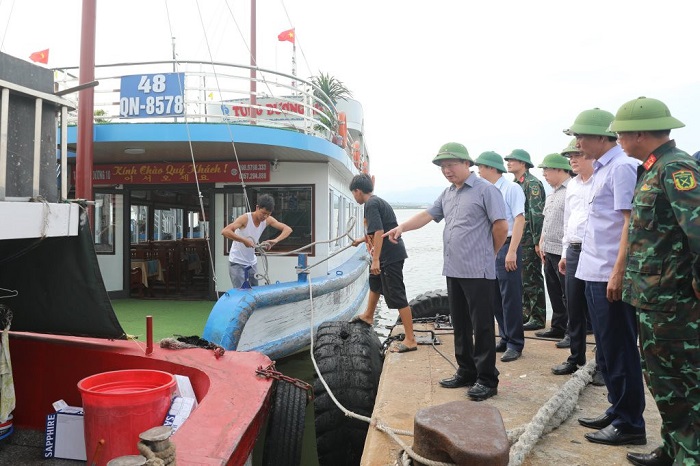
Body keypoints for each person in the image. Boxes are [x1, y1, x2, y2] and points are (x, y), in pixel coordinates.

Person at [610, 97, 700, 466]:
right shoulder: (652, 167)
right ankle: (673, 449)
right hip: (654, 299)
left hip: (675, 304)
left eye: (620, 133)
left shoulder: (677, 168)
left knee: (683, 386)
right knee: (663, 384)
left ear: (639, 133)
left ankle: (690, 456)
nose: (618, 139)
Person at [384, 142, 507, 401]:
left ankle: (487, 379)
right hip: (454, 268)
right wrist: (401, 228)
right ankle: (465, 370)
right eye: (442, 166)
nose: (447, 170)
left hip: (478, 270)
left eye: (451, 165)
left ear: (466, 163)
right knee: (460, 323)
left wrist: (490, 255)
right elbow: (428, 215)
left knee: (482, 325)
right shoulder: (448, 193)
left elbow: (500, 226)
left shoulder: (486, 190)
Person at [564, 108, 646, 446]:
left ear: (602, 137)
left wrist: (618, 272)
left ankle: (630, 424)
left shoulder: (623, 168)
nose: (578, 143)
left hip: (609, 272)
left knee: (621, 347)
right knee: (608, 348)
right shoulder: (601, 170)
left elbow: (630, 222)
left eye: (582, 136)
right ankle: (617, 409)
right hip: (592, 269)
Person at [348, 173, 417, 353]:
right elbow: (379, 230)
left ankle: (411, 339)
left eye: (353, 193)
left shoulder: (370, 204)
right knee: (375, 283)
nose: (354, 197)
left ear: (358, 191)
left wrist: (376, 259)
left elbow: (378, 231)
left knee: (396, 293)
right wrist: (361, 240)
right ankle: (369, 315)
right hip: (387, 253)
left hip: (390, 255)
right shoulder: (376, 202)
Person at [551, 139, 601, 382]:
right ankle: (576, 357)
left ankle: (602, 363)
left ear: (591, 155)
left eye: (578, 154)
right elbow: (567, 221)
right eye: (570, 155)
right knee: (574, 306)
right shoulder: (572, 186)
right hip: (572, 250)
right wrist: (563, 253)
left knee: (598, 309)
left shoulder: (600, 181)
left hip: (595, 252)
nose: (572, 159)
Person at [475, 151, 526, 363]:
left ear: (492, 168)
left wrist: (512, 251)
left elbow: (520, 220)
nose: (478, 171)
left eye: (481, 166)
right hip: (490, 246)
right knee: (494, 296)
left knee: (510, 297)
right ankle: (505, 336)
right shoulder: (486, 190)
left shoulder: (512, 188)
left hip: (507, 245)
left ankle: (515, 342)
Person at [504, 149, 547, 331]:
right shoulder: (515, 185)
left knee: (532, 279)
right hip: (519, 239)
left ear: (523, 163)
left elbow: (536, 214)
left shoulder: (532, 184)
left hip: (529, 239)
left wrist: (538, 241)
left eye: (512, 160)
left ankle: (537, 317)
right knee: (521, 280)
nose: (508, 163)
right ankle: (525, 313)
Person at [535, 153, 572, 346]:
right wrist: (542, 244)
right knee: (554, 291)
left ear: (559, 169)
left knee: (568, 294)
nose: (544, 175)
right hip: (549, 249)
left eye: (547, 170)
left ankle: (571, 332)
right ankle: (558, 327)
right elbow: (546, 220)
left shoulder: (571, 190)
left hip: (563, 250)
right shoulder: (553, 193)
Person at [221, 194, 292, 288]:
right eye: (263, 213)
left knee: (254, 291)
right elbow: (225, 231)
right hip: (237, 261)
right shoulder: (245, 218)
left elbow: (288, 229)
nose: (265, 216)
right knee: (240, 292)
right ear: (257, 207)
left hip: (251, 262)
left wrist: (275, 240)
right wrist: (243, 240)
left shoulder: (268, 220)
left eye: (268, 214)